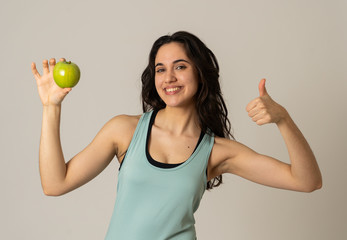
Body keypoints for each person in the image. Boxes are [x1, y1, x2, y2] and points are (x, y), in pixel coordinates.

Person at [31, 31, 322, 240]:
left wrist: (283, 119)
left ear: (200, 73)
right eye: (161, 69)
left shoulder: (217, 151)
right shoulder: (125, 129)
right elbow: (55, 184)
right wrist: (50, 108)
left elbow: (307, 181)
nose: (168, 78)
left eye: (180, 67)